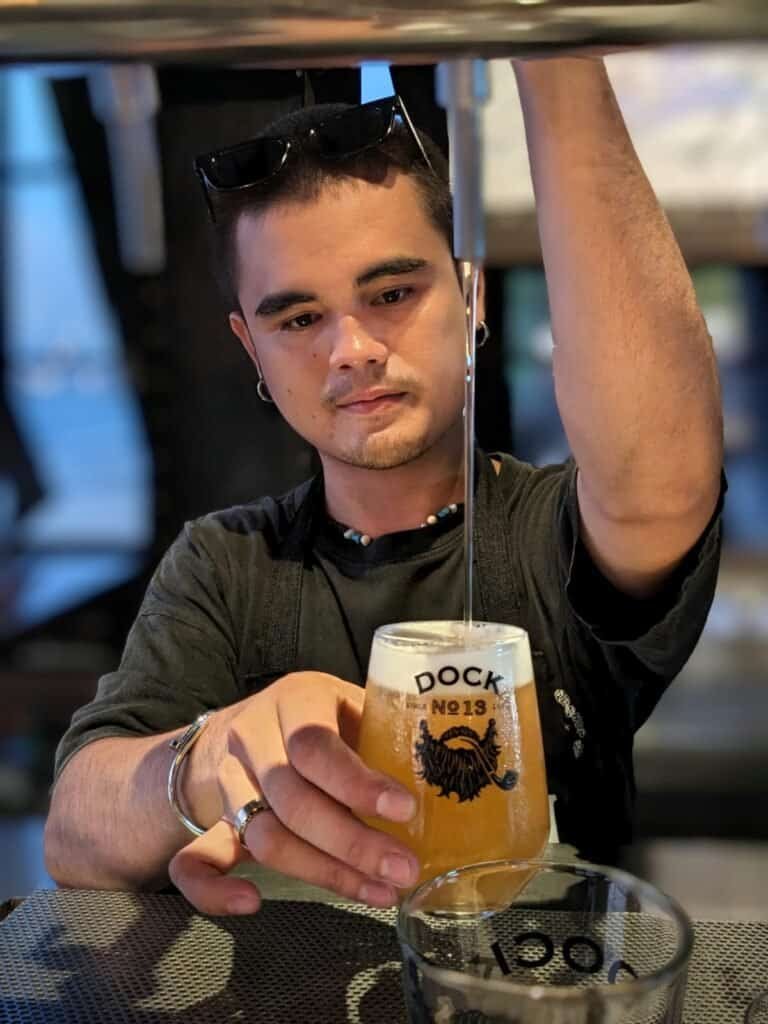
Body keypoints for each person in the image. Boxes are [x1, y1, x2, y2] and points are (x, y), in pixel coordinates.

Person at [44, 56, 724, 917]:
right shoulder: (227, 564)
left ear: (471, 295)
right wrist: (201, 761)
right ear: (251, 350)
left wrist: (552, 54)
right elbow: (72, 831)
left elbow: (659, 479)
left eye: (393, 291)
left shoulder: (552, 535)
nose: (352, 348)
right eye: (297, 319)